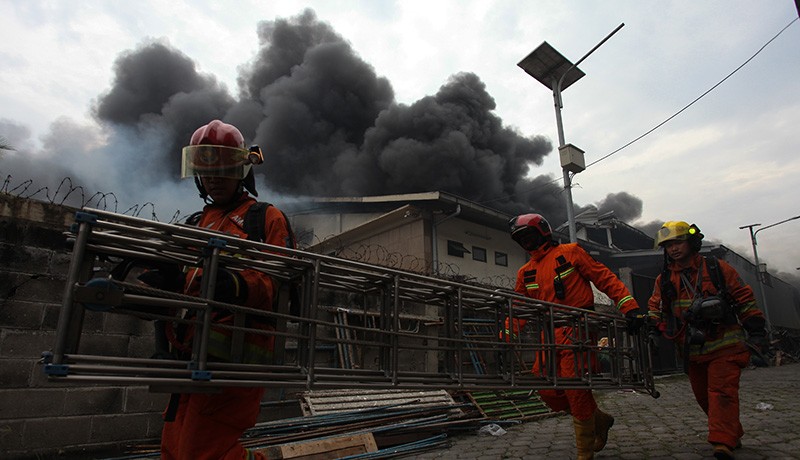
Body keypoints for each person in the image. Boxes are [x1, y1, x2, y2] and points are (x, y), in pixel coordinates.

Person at [148, 119, 294, 460]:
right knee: (174, 448)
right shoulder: (197, 223)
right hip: (191, 353)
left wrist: (236, 284)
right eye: (206, 169)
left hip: (237, 355)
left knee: (205, 452)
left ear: (242, 169)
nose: (214, 178)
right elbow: (186, 287)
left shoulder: (265, 218)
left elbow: (282, 283)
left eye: (224, 168)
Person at [503, 213, 642, 460]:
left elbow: (604, 278)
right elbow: (519, 309)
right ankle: (599, 418)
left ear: (542, 232)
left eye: (529, 235)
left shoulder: (571, 252)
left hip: (577, 331)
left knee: (574, 389)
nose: (526, 241)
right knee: (548, 391)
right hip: (548, 336)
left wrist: (629, 306)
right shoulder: (525, 272)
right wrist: (506, 335)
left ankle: (584, 452)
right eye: (521, 238)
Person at [647, 221, 768, 460]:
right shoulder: (665, 280)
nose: (673, 249)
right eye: (668, 245)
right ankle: (732, 432)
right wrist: (653, 330)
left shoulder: (716, 268)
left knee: (721, 392)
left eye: (678, 242)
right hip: (692, 349)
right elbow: (655, 307)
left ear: (691, 243)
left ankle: (722, 444)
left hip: (725, 344)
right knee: (704, 397)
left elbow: (743, 297)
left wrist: (756, 331)